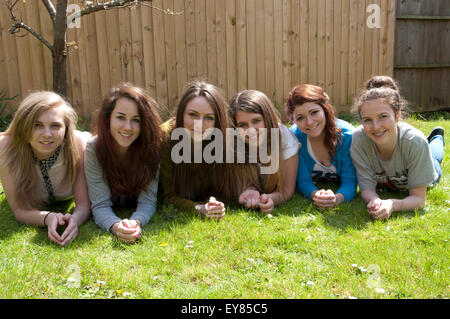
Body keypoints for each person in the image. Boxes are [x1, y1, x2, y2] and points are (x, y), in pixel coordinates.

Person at [0, 91, 91, 246]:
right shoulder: (5, 147)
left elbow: (83, 203)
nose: (47, 134)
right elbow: (19, 209)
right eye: (37, 125)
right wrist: (47, 218)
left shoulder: (79, 144)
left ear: (66, 128)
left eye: (55, 125)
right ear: (23, 125)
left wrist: (74, 221)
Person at [160, 81, 259, 220]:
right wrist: (199, 208)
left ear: (217, 121)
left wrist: (213, 200)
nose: (199, 124)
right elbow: (168, 196)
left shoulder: (223, 138)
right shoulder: (165, 138)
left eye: (209, 118)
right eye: (193, 114)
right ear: (181, 113)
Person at [350, 75, 445, 220]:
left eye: (383, 116)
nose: (376, 127)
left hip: (425, 160)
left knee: (435, 158)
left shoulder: (415, 142)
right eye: (368, 120)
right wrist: (375, 201)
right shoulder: (358, 139)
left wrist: (393, 204)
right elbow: (366, 189)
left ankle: (437, 137)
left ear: (398, 114)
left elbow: (419, 200)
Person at [84, 83, 163, 244]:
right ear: (108, 119)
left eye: (136, 120)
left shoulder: (153, 147)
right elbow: (99, 205)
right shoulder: (93, 149)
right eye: (120, 117)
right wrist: (115, 226)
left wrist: (136, 222)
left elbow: (148, 200)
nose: (128, 127)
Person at [285, 84, 357, 209]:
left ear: (325, 109)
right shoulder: (294, 137)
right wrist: (317, 196)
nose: (309, 122)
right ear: (294, 120)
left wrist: (337, 199)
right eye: (300, 118)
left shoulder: (347, 136)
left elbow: (350, 181)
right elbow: (303, 180)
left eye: (314, 112)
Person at [229, 89, 299, 213]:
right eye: (242, 125)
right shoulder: (232, 141)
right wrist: (248, 190)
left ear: (267, 117)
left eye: (256, 121)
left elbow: (287, 190)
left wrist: (271, 199)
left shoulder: (285, 138)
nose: (250, 130)